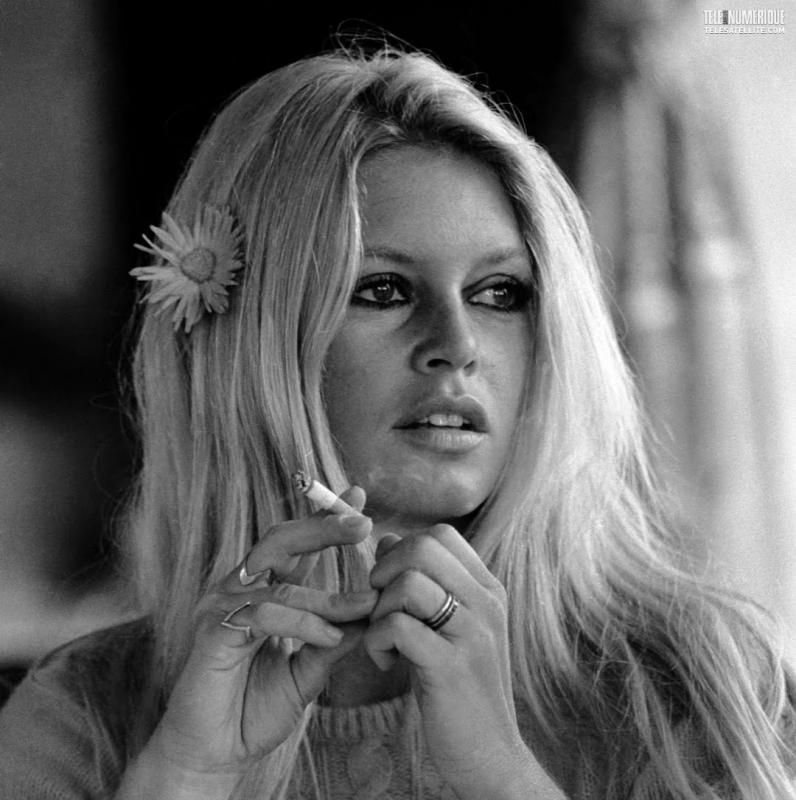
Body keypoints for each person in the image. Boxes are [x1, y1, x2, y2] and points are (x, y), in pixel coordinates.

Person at [0, 44, 794, 800]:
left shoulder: (710, 689)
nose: (458, 345)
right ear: (252, 345)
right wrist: (185, 774)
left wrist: (502, 775)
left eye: (500, 293)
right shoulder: (78, 719)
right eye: (383, 290)